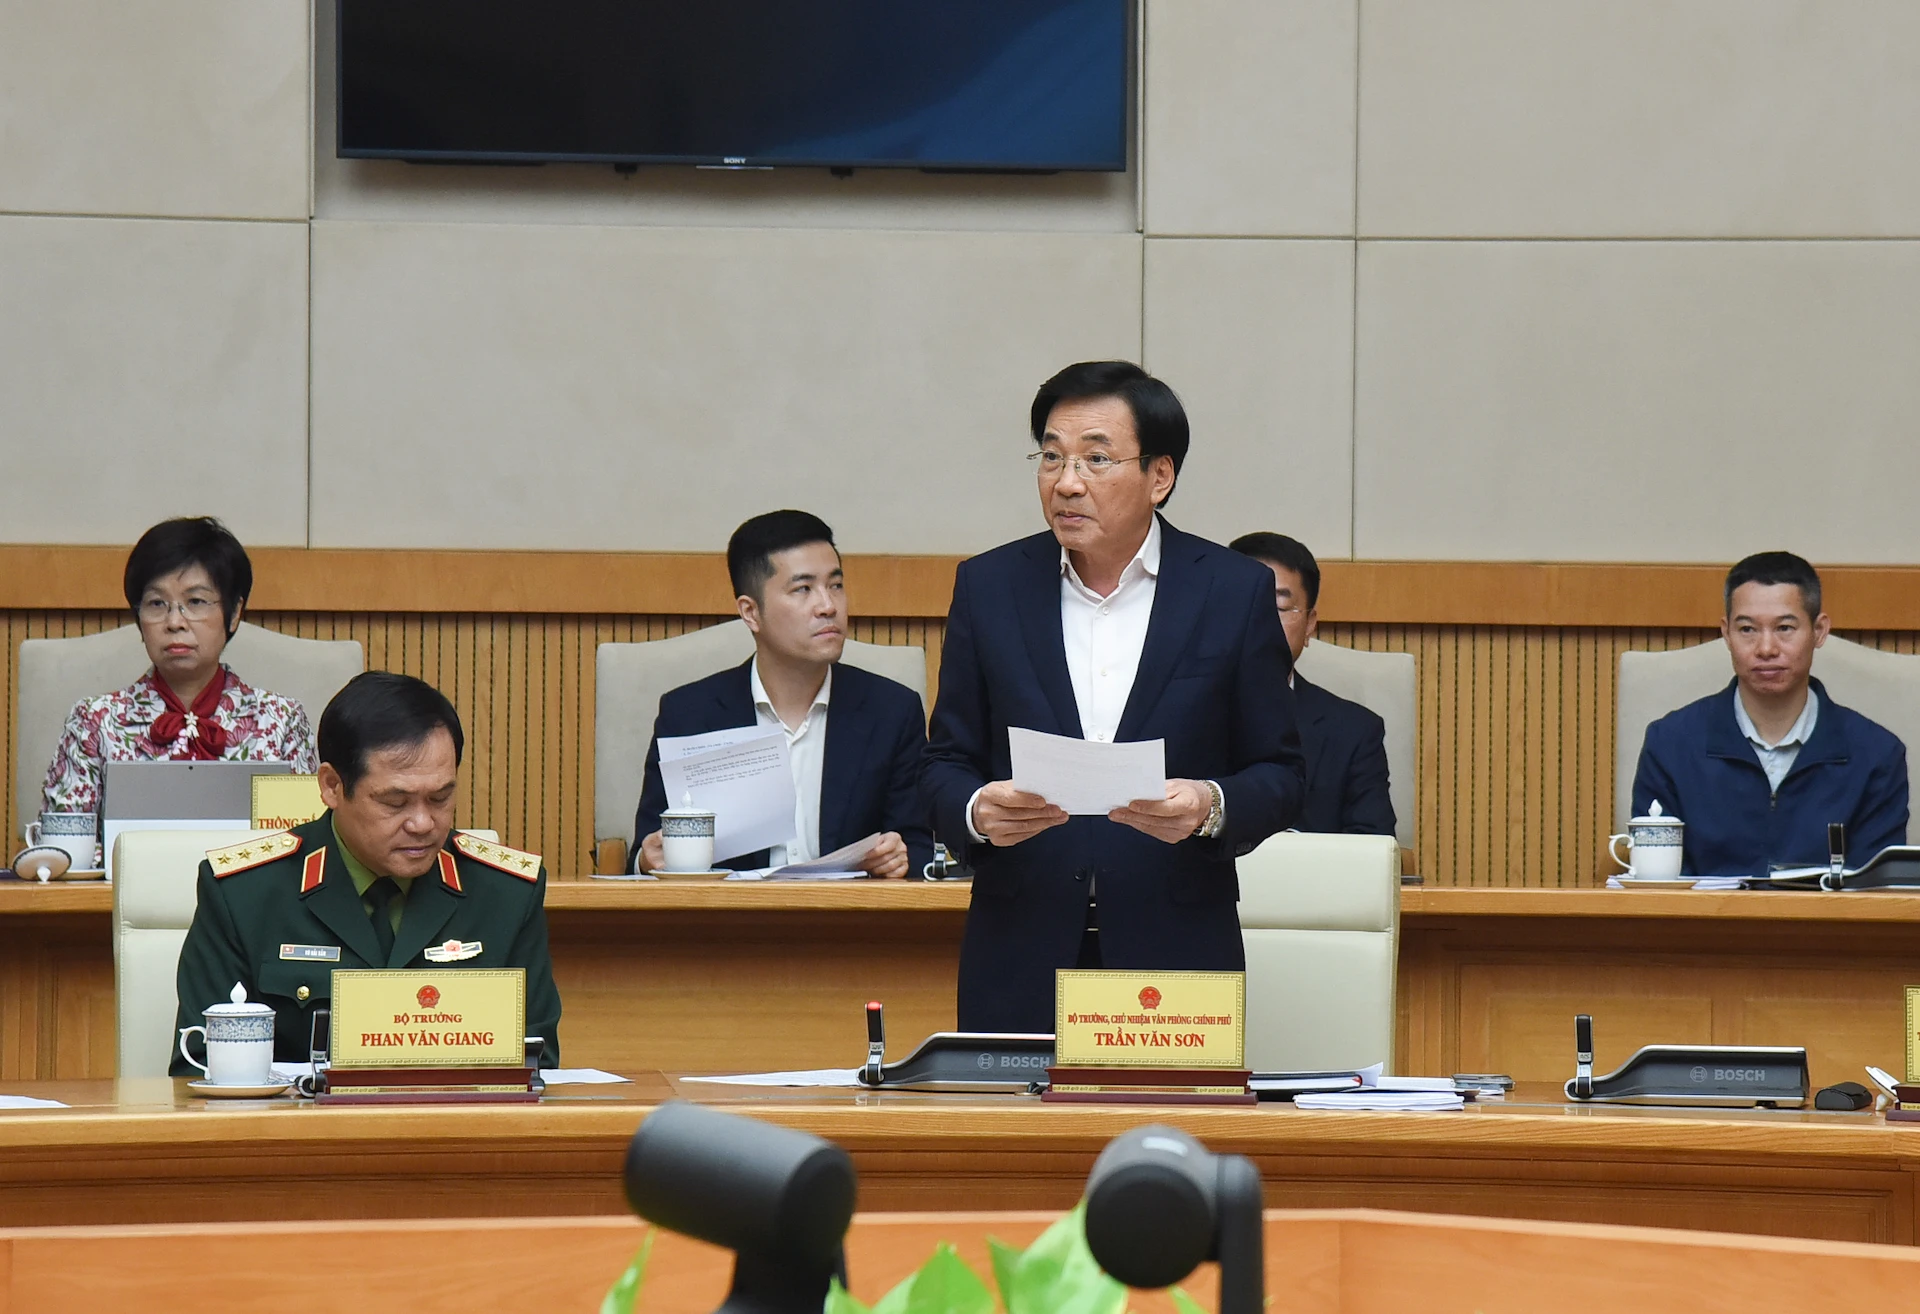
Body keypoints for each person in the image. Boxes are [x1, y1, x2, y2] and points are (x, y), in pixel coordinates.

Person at [924, 361, 1307, 1033]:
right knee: (1019, 1140)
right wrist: (977, 809)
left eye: (1096, 459)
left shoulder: (1231, 591)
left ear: (1160, 476)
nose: (1067, 482)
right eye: (1051, 457)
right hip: (1018, 953)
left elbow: (1281, 772)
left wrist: (1210, 806)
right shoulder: (989, 588)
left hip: (1177, 955)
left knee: (1167, 1139)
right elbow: (942, 764)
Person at [171, 671, 561, 1073]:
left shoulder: (507, 894)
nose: (423, 823)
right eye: (396, 802)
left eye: (441, 798)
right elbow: (198, 1069)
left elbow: (537, 1064)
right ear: (332, 786)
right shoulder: (244, 894)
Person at [631, 510, 933, 878]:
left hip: (849, 924)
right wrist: (649, 859)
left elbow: (920, 848)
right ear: (751, 612)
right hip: (723, 925)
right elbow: (646, 850)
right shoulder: (690, 715)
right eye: (803, 589)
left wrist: (899, 857)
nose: (828, 606)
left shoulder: (891, 711)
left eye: (835, 585)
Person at [1632, 551, 1908, 876]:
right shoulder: (1670, 744)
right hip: (1704, 925)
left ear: (1819, 631)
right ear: (1726, 633)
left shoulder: (1876, 754)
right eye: (1748, 629)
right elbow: (1653, 886)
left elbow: (1877, 897)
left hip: (1827, 927)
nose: (1766, 649)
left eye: (1785, 628)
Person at [42, 516, 316, 815]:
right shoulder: (94, 722)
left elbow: (301, 841)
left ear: (234, 612)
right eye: (157, 604)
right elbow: (66, 848)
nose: (174, 622)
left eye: (196, 601)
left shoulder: (281, 721)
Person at [1229, 532, 1395, 837]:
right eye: (1244, 603)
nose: (1260, 620)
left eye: (1279, 608)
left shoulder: (1354, 733)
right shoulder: (1173, 713)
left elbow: (1371, 853)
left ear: (1309, 624)